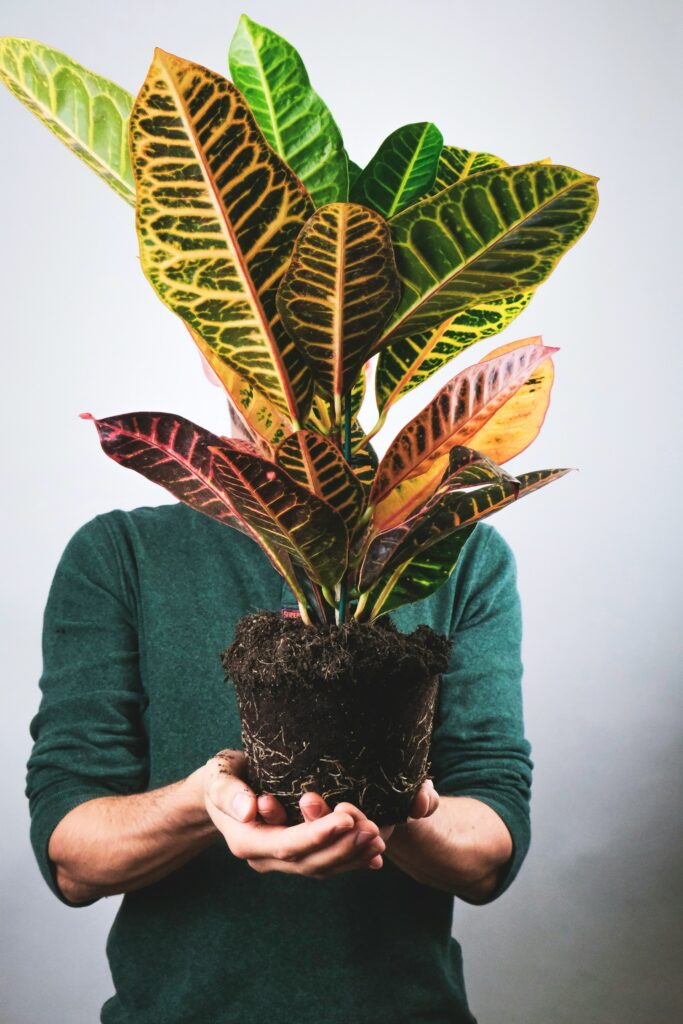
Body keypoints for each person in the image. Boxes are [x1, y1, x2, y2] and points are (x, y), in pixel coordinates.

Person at [25, 362, 533, 1024]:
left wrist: (390, 806)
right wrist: (207, 801)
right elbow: (72, 855)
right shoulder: (121, 553)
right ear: (221, 351)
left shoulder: (458, 551)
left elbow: (491, 844)